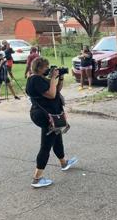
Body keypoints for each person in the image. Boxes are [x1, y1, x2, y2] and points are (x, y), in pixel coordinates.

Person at [26, 57, 78, 188]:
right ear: (39, 68)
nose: (48, 69)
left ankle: (64, 163)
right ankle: (37, 178)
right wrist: (53, 77)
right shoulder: (35, 79)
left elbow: (56, 90)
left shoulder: (40, 78)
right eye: (46, 67)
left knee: (57, 138)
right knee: (46, 146)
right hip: (46, 116)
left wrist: (60, 78)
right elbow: (51, 94)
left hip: (51, 115)